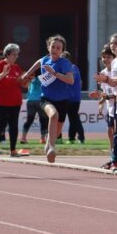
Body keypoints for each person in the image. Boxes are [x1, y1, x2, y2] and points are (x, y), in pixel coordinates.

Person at [23, 34, 75, 163]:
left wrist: (54, 73)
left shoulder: (64, 63)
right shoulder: (44, 60)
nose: (55, 50)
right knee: (53, 115)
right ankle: (52, 147)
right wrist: (27, 74)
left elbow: (70, 80)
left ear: (62, 51)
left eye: (58, 48)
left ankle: (48, 145)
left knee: (56, 132)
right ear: (48, 47)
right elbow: (37, 64)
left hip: (63, 100)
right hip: (46, 98)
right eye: (53, 46)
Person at [0, 43, 24, 157]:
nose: (16, 57)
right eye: (14, 54)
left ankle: (13, 150)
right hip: (1, 100)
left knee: (14, 125)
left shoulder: (17, 67)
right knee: (2, 124)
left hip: (15, 101)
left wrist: (27, 80)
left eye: (17, 55)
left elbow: (22, 84)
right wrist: (4, 74)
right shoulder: (0, 65)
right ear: (7, 55)